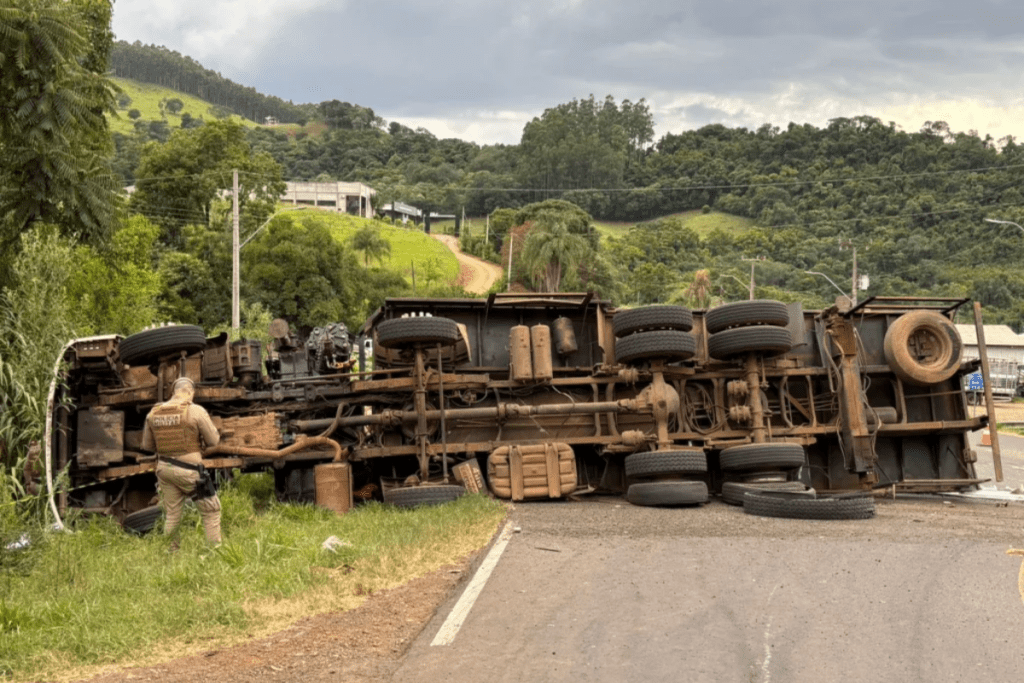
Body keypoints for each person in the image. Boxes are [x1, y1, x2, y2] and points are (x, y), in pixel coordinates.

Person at [141, 377, 222, 548]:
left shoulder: (153, 413)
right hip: (189, 471)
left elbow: (148, 446)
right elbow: (214, 441)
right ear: (190, 392)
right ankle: (215, 552)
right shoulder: (195, 410)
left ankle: (172, 554)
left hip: (164, 470)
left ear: (173, 392)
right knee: (211, 510)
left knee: (172, 515)